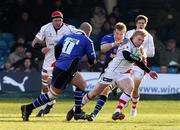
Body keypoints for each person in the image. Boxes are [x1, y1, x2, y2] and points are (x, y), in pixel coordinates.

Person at [21, 22, 96, 121]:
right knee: (52, 95)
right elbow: (92, 59)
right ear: (89, 32)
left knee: (82, 84)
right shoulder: (87, 40)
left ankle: (77, 112)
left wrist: (60, 59)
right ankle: (28, 108)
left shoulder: (68, 36)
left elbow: (57, 47)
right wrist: (92, 61)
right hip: (66, 70)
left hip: (61, 67)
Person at [81, 29, 158, 121]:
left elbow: (138, 62)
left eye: (142, 41)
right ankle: (76, 108)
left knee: (130, 86)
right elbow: (126, 55)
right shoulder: (126, 42)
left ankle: (117, 111)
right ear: (133, 37)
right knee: (94, 93)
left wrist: (149, 71)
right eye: (139, 39)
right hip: (111, 72)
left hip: (123, 74)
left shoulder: (138, 49)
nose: (140, 42)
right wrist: (137, 59)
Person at [66, 22, 127, 121]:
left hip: (122, 72)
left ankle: (94, 114)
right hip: (108, 69)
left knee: (105, 91)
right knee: (94, 93)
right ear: (113, 32)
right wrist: (114, 44)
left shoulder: (127, 42)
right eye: (117, 33)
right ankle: (74, 109)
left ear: (125, 34)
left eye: (121, 34)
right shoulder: (108, 38)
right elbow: (103, 49)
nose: (119, 36)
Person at [32, 10, 76, 117]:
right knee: (45, 86)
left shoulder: (70, 28)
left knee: (52, 83)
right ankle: (50, 103)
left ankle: (45, 107)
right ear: (52, 21)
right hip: (48, 60)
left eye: (60, 20)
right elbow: (34, 43)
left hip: (62, 61)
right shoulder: (45, 28)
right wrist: (41, 49)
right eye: (55, 20)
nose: (58, 22)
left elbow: (82, 35)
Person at [125, 15, 155, 116]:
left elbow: (152, 53)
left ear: (145, 24)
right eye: (139, 23)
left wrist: (142, 52)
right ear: (136, 23)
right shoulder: (129, 33)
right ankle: (125, 97)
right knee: (125, 82)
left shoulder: (149, 36)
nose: (141, 24)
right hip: (128, 62)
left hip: (140, 63)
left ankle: (133, 108)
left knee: (136, 87)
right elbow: (124, 45)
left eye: (143, 23)